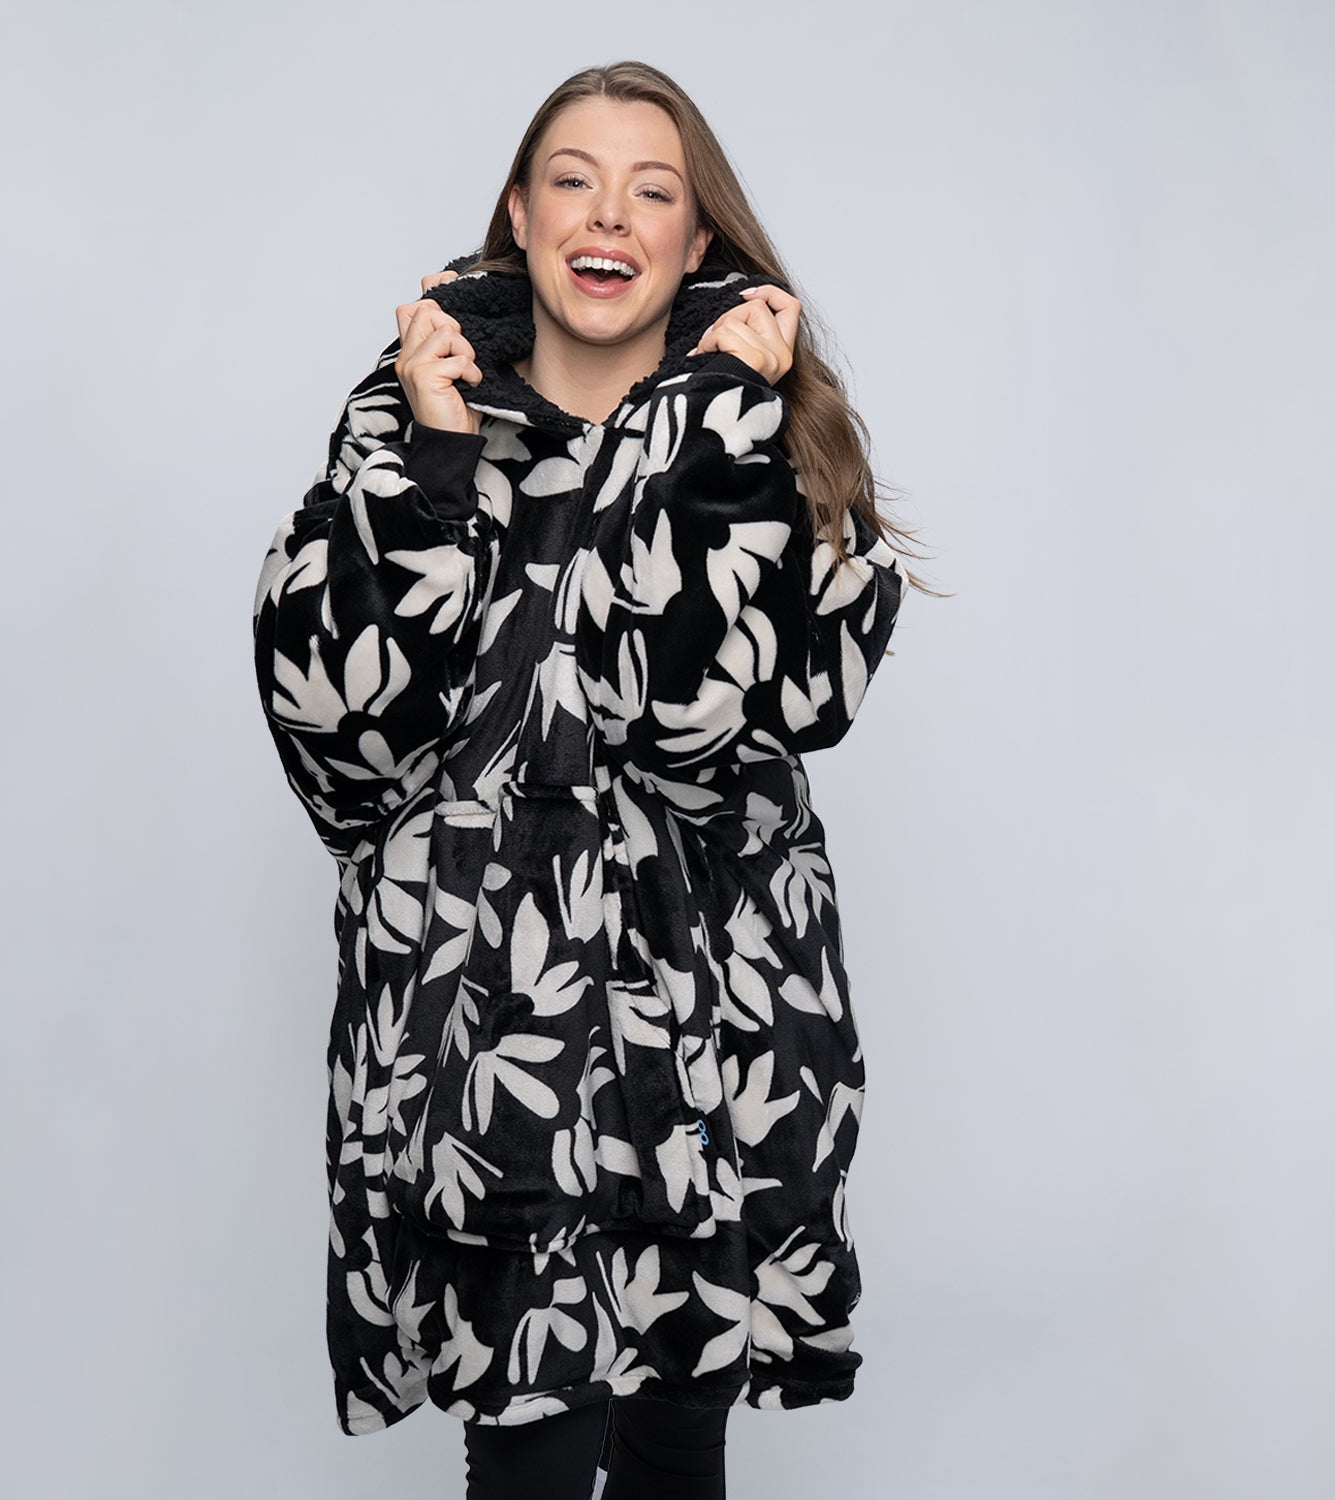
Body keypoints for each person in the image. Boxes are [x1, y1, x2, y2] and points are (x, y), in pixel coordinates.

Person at [252, 59, 920, 1500]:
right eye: (574, 179)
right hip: (491, 1031)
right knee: (529, 1456)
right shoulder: (397, 434)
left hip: (712, 1024)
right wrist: (437, 472)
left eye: (652, 190)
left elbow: (690, 722)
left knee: (680, 1442)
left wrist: (703, 433)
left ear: (696, 237)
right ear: (520, 213)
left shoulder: (766, 442)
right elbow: (340, 749)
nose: (609, 213)